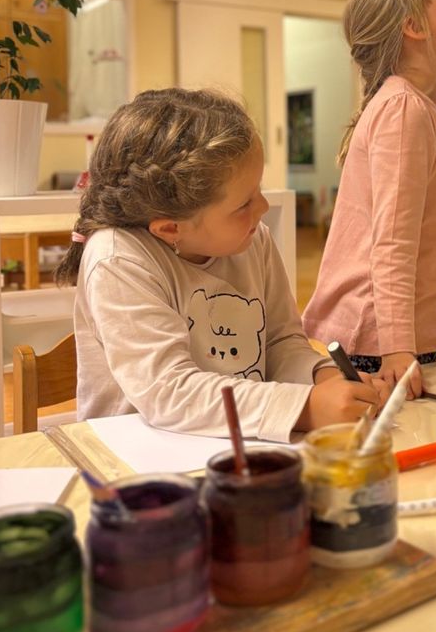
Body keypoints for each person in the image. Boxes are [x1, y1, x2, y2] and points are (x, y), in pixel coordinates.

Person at [56, 88, 385, 441]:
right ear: (171, 229)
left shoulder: (252, 239)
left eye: (258, 190)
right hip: (138, 465)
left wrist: (322, 377)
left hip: (236, 448)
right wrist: (305, 407)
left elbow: (279, 342)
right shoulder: (117, 259)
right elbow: (169, 391)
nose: (260, 209)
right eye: (243, 203)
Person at [303, 0, 436, 397]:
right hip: (379, 339)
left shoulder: (426, 113)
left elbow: (424, 230)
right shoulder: (402, 111)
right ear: (414, 26)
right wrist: (397, 349)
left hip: (394, 336)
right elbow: (392, 242)